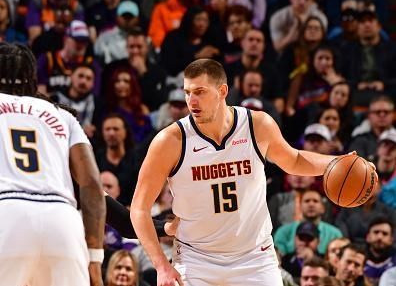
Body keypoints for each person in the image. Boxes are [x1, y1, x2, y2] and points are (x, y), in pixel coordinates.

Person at [130, 58, 378, 285]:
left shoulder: (256, 125)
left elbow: (293, 160)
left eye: (200, 92)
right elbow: (139, 209)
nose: (191, 101)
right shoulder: (170, 141)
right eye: (187, 93)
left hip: (254, 258)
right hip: (197, 260)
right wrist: (161, 266)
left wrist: (340, 163)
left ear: (222, 91)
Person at [0, 42, 105, 285]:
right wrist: (94, 257)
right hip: (62, 220)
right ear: (31, 76)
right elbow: (91, 184)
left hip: (6, 212)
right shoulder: (61, 114)